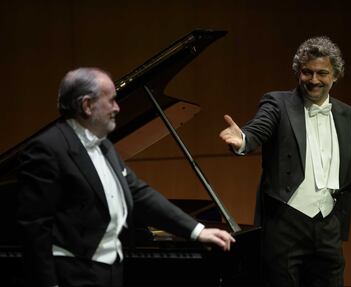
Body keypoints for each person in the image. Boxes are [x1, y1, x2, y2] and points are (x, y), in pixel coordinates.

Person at [17, 67, 235, 287]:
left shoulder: (105, 146)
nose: (117, 108)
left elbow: (139, 193)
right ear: (87, 105)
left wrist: (197, 231)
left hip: (111, 271)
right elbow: (35, 228)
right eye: (111, 100)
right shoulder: (48, 148)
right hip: (72, 275)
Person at [219, 36, 351, 287]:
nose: (313, 80)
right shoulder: (278, 103)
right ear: (298, 72)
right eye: (307, 72)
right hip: (285, 225)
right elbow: (257, 129)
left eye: (322, 73)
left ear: (336, 75)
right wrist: (244, 140)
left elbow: (347, 167)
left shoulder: (346, 113)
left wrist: (339, 224)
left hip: (328, 225)